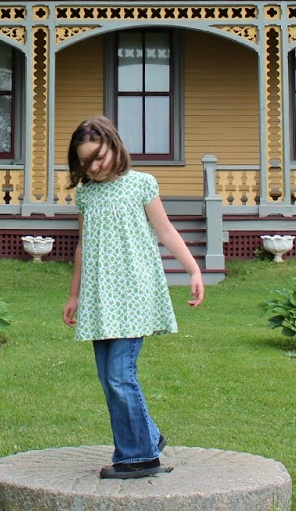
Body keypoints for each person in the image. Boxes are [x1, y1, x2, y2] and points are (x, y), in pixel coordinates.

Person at [62, 116, 204, 481]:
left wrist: (192, 269)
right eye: (85, 161)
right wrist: (74, 294)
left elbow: (166, 229)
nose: (94, 166)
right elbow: (81, 246)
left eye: (99, 156)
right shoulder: (85, 195)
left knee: (120, 375)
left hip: (133, 294)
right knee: (108, 377)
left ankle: (138, 456)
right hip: (99, 298)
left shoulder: (141, 184)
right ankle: (149, 437)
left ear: (114, 145)